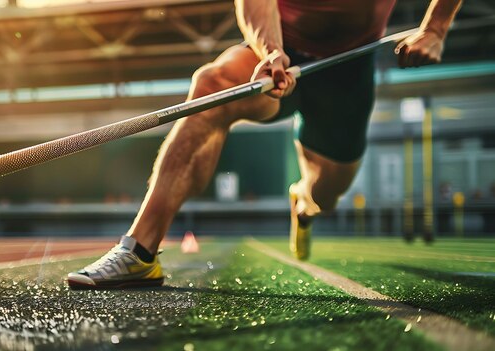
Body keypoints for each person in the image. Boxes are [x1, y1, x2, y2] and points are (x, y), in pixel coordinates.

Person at [66, 0, 462, 289]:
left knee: (326, 194)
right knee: (211, 83)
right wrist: (271, 52)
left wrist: (437, 27)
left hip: (348, 68)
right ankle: (140, 252)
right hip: (280, 53)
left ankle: (302, 202)